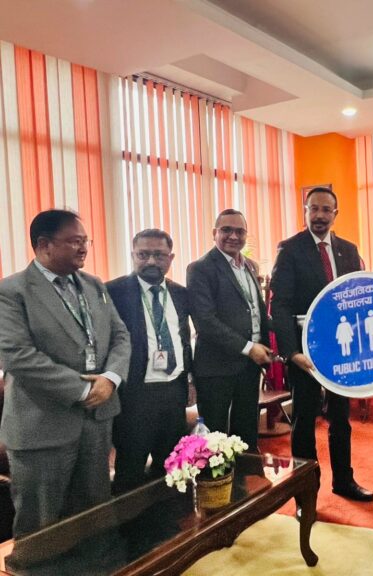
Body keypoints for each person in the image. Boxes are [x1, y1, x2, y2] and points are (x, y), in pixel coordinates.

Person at [0, 209, 130, 537]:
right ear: (44, 245)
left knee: (94, 515)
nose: (84, 248)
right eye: (74, 241)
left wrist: (110, 379)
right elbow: (17, 356)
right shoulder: (12, 291)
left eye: (86, 240)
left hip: (96, 422)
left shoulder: (93, 285)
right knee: (40, 527)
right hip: (43, 427)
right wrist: (83, 389)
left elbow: (120, 336)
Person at [270, 187, 373, 503]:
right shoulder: (290, 249)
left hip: (341, 350)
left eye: (326, 210)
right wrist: (291, 352)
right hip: (304, 351)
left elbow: (358, 297)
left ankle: (344, 480)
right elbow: (280, 305)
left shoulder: (348, 250)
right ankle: (305, 493)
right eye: (313, 208)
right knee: (304, 421)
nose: (319, 215)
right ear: (305, 211)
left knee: (341, 418)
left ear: (335, 214)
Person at [107, 229, 192, 494]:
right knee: (130, 471)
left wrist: (189, 380)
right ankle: (131, 521)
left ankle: (169, 517)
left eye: (159, 255)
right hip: (135, 395)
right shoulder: (113, 292)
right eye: (143, 255)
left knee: (173, 468)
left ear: (171, 258)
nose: (151, 261)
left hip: (173, 391)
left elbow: (183, 337)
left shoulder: (180, 293)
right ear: (133, 255)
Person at [186, 209, 271, 449]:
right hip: (216, 368)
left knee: (246, 436)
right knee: (214, 441)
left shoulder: (250, 266)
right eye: (226, 230)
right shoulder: (200, 268)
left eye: (239, 231)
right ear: (214, 233)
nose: (233, 236)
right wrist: (249, 348)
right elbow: (205, 321)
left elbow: (255, 311)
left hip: (249, 366)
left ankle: (247, 474)